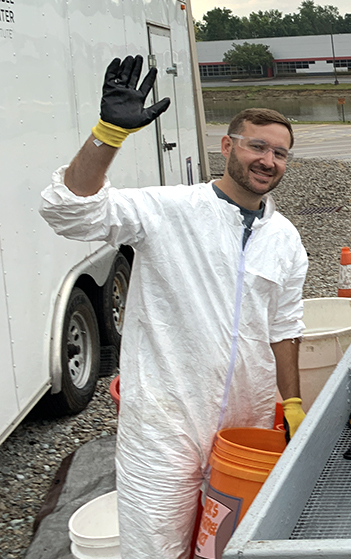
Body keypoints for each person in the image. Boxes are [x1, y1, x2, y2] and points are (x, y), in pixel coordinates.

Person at [39, 55, 310, 557]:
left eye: (280, 153)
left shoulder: (285, 239)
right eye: (257, 146)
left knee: (231, 541)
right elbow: (68, 211)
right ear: (227, 146)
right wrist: (108, 135)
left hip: (243, 422)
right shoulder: (166, 210)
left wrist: (291, 405)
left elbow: (285, 325)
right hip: (165, 424)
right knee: (156, 543)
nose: (268, 161)